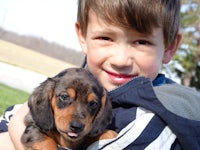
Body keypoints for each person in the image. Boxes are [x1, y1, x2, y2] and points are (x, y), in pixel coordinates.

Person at [1, 0, 200, 149]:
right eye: (105, 37)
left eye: (142, 42)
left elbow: (16, 120)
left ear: (170, 46)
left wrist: (18, 126)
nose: (120, 59)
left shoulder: (155, 121)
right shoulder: (84, 82)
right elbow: (12, 118)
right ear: (82, 35)